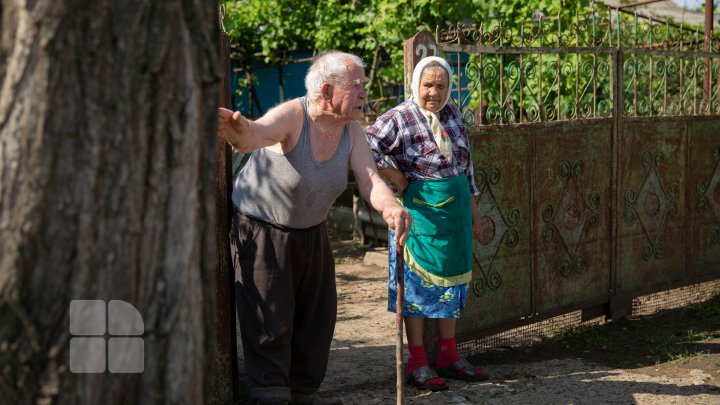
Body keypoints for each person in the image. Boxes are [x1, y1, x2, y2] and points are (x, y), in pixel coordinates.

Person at [217, 51, 412, 405]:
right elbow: (255, 134)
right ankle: (271, 395)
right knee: (270, 320)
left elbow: (370, 179)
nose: (364, 94)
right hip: (262, 232)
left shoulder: (351, 130)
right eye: (357, 86)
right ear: (326, 91)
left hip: (312, 230)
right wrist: (238, 130)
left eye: (364, 86)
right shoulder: (293, 116)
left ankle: (303, 393)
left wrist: (392, 207)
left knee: (317, 319)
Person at [364, 56, 487, 392]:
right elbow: (364, 144)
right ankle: (417, 360)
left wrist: (474, 211)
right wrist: (394, 176)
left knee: (451, 285)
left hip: (456, 215)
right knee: (416, 288)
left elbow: (468, 167)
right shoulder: (399, 117)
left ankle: (448, 354)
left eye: (441, 85)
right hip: (420, 217)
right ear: (415, 84)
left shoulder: (454, 114)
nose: (434, 91)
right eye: (428, 84)